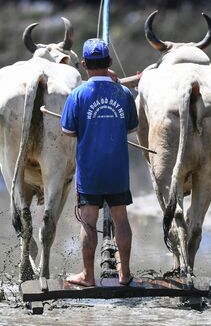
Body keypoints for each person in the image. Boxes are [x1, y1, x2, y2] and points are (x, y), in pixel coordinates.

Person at [60, 38, 138, 287]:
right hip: (117, 171)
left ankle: (88, 276)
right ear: (110, 63)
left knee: (88, 222)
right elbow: (132, 127)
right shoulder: (123, 93)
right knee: (121, 219)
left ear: (83, 64)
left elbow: (68, 131)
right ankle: (125, 275)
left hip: (90, 172)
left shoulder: (77, 95)